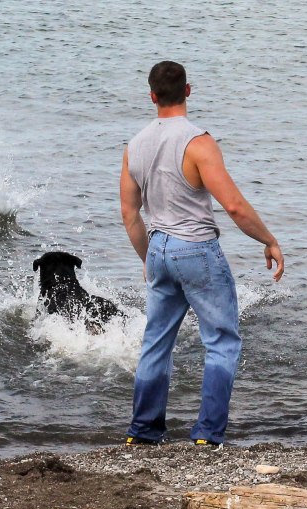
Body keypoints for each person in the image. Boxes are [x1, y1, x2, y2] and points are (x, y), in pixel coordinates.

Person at [120, 61, 284, 447]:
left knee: (156, 341)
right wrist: (269, 240)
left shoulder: (134, 146)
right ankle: (208, 434)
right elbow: (235, 207)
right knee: (222, 340)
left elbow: (130, 214)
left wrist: (148, 259)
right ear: (188, 91)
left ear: (152, 96)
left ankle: (143, 431)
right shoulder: (198, 142)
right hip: (196, 249)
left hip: (158, 247)